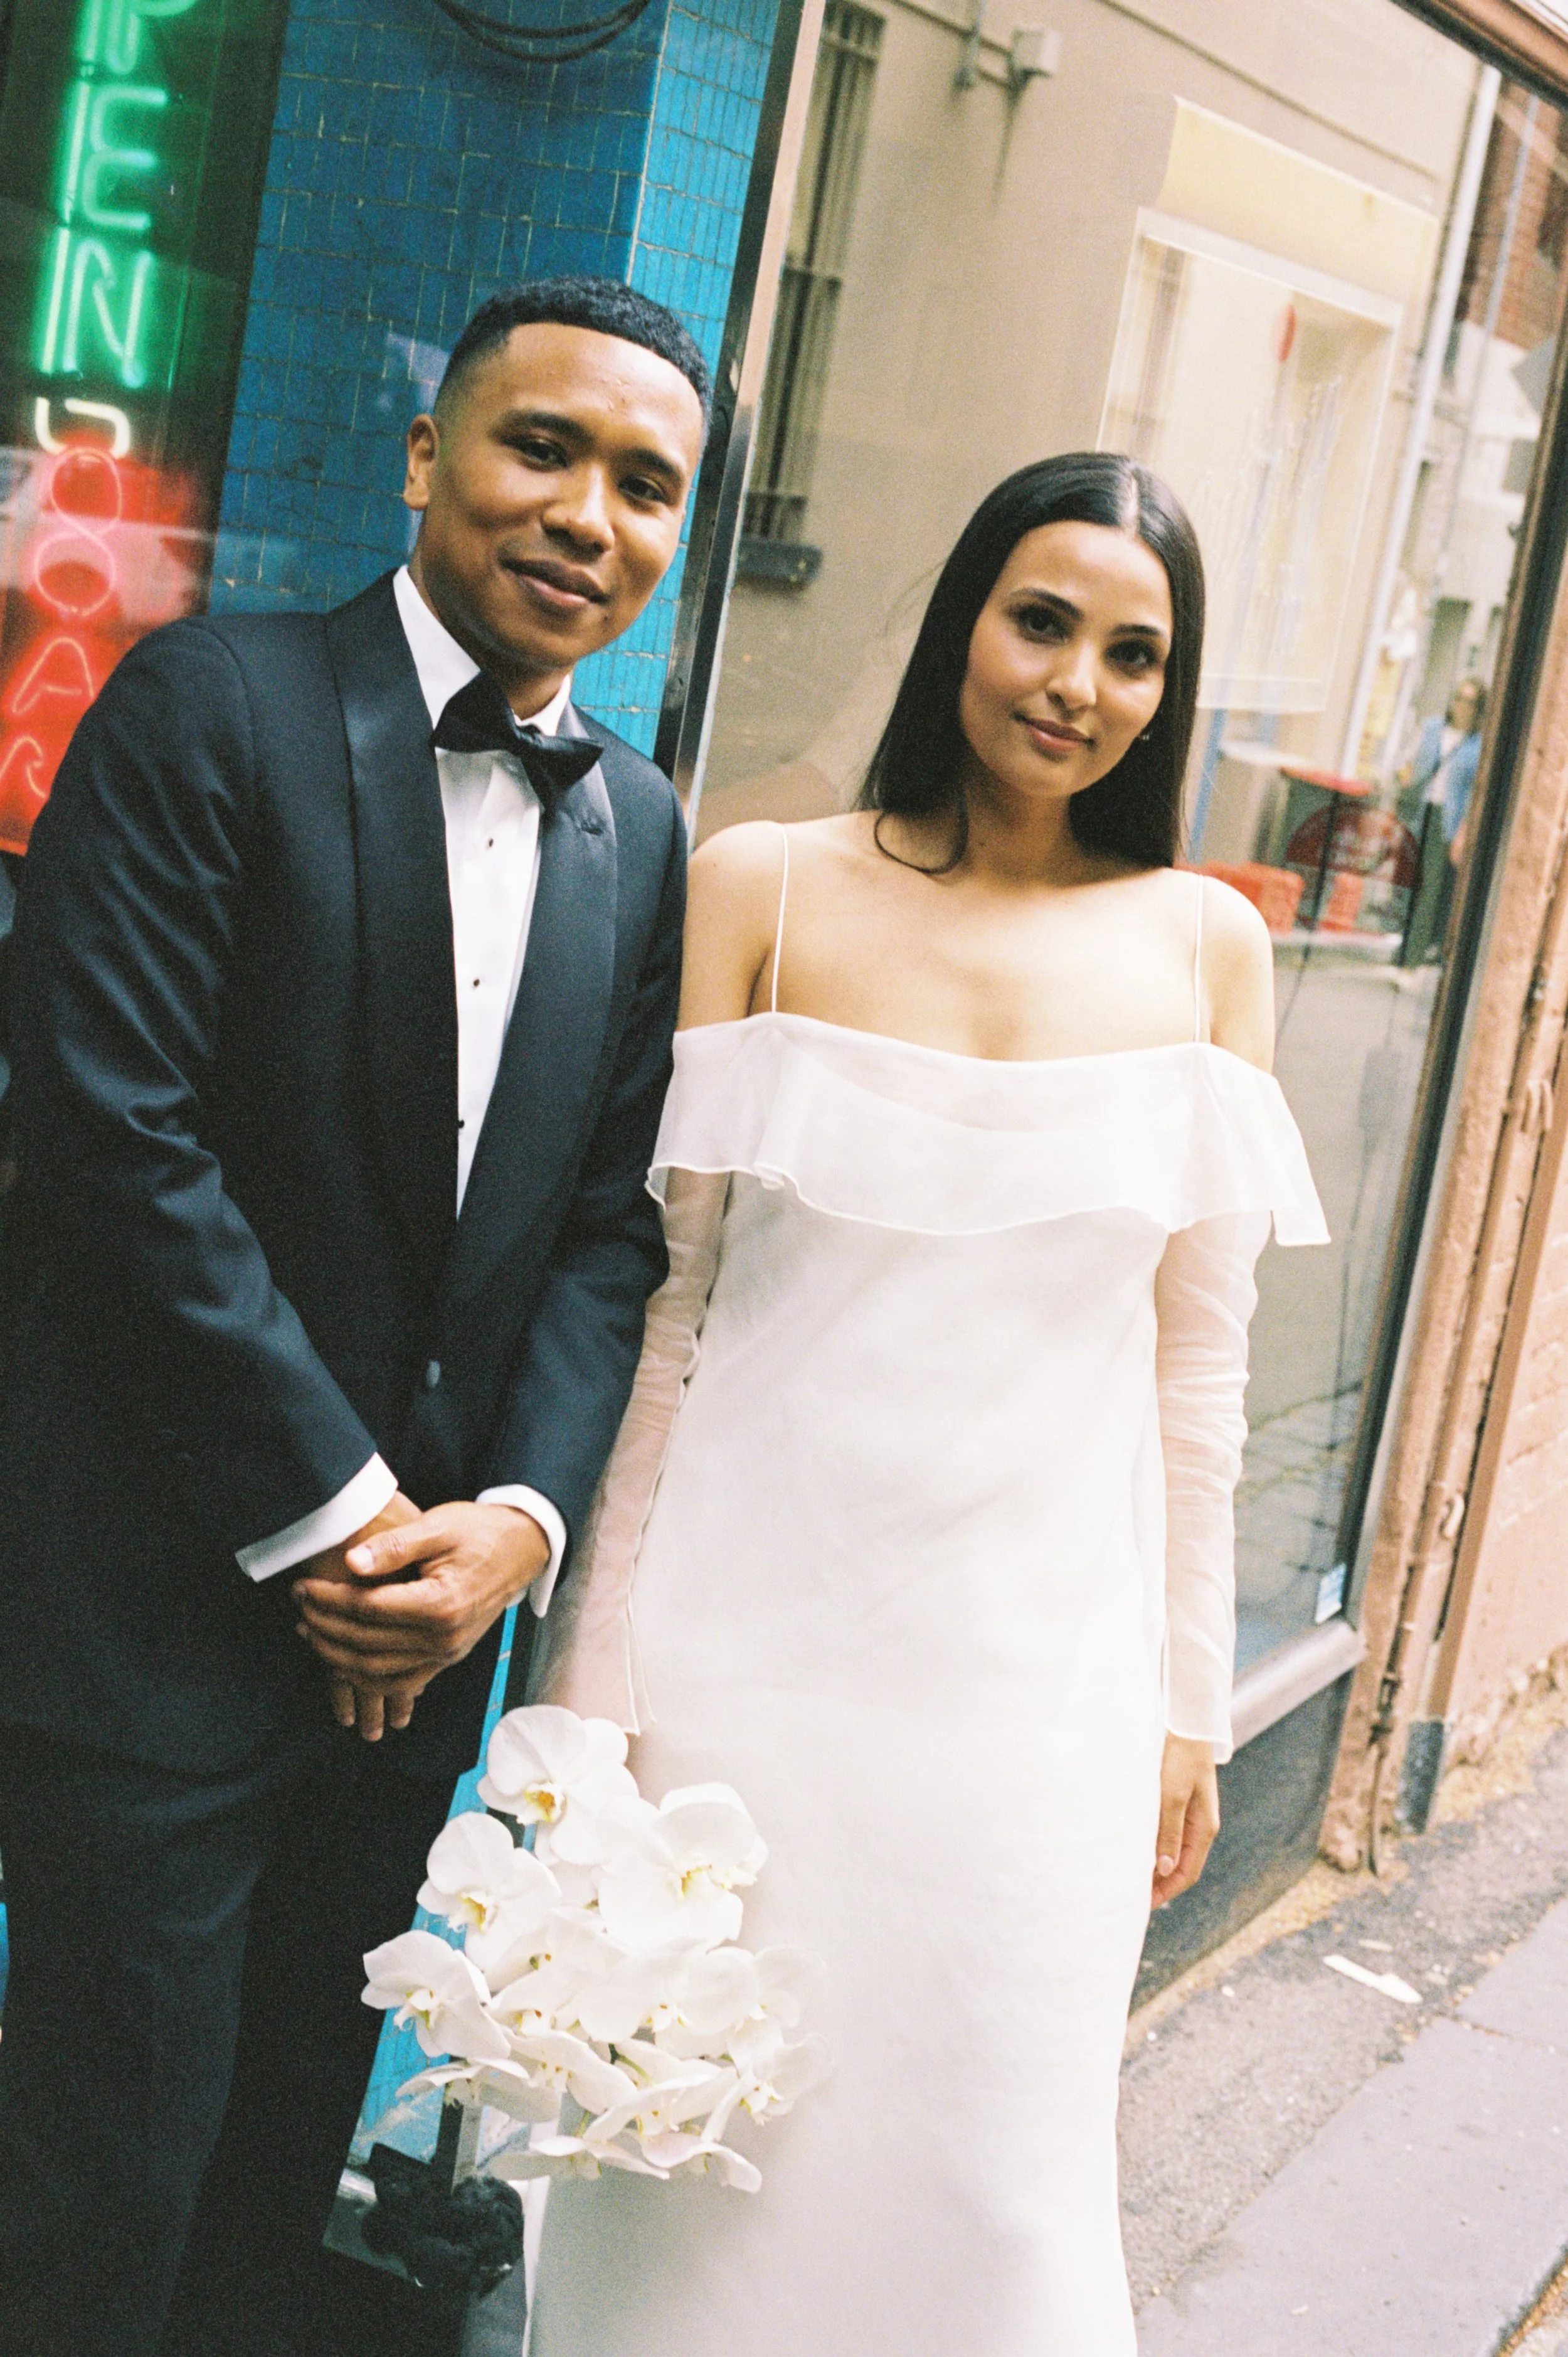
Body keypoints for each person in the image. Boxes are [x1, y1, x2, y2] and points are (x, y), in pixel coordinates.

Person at [527, 453, 1327, 2354]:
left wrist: (1182, 1706)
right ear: (959, 616)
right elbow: (674, 1317)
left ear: (1168, 690)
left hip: (1030, 1709)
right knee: (684, 2188)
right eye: (1037, 619)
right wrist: (591, 1679)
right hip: (743, 1669)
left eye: (1132, 651)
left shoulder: (1208, 944)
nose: (1073, 680)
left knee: (988, 2195)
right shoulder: (762, 888)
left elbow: (1194, 1367)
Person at [0, 275, 707, 2357]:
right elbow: (113, 1140)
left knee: (280, 2165)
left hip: (407, 1668)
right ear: (426, 460)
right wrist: (339, 1521)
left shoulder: (645, 827)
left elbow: (604, 1227)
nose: (585, 510)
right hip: (153, 1609)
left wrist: (517, 1524)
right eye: (540, 447)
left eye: (645, 482)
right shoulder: (209, 703)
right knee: (93, 2175)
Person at [1396, 676, 1486, 967]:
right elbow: (1407, 760)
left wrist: (1462, 833)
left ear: (1478, 709)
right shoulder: (1433, 727)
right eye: (1459, 698)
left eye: (1470, 702)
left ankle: (1410, 960)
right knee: (1410, 882)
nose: (1461, 706)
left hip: (1445, 821)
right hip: (1418, 811)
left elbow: (1474, 795)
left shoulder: (1477, 745)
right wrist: (1406, 775)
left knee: (1429, 891)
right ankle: (1407, 947)